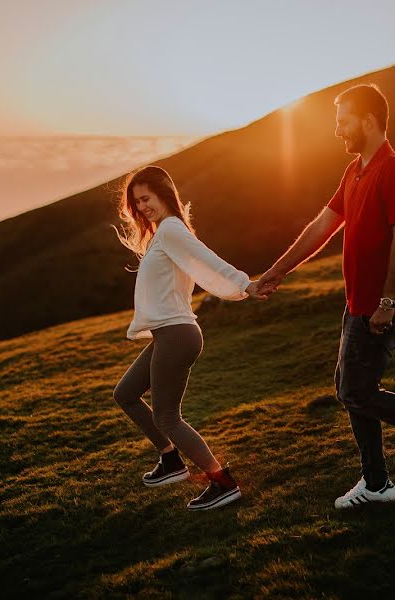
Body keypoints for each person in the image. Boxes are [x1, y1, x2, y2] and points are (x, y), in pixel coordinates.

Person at [256, 84, 395, 509]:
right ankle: (376, 484)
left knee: (355, 391)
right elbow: (322, 226)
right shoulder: (356, 169)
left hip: (382, 308)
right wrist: (276, 272)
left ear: (368, 121)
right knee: (351, 387)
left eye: (343, 122)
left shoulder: (393, 169)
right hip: (358, 304)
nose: (338, 131)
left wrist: (387, 302)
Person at [112, 165, 265, 511]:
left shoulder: (170, 230)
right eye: (137, 203)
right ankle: (171, 460)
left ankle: (222, 482)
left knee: (168, 416)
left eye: (146, 198)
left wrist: (245, 284)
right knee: (125, 393)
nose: (142, 207)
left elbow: (206, 259)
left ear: (164, 193)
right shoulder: (162, 235)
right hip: (167, 334)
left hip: (177, 335)